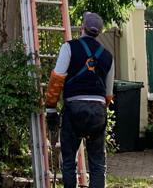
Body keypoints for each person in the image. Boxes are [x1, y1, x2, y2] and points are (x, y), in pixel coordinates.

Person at [44, 12, 115, 188]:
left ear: (82, 28)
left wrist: (51, 108)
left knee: (68, 161)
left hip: (74, 109)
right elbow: (108, 94)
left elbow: (57, 79)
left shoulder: (69, 48)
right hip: (97, 111)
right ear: (99, 32)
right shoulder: (108, 56)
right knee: (97, 163)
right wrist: (97, 111)